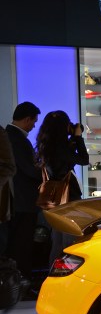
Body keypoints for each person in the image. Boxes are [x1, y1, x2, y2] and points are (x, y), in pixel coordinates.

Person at [35, 110, 89, 263]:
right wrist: (77, 137)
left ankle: (53, 271)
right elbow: (84, 159)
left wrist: (72, 139)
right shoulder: (62, 148)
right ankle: (67, 273)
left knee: (57, 240)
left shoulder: (45, 146)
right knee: (70, 241)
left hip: (53, 199)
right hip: (68, 197)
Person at [5, 101, 42, 279]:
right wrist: (43, 171)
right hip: (23, 201)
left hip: (14, 200)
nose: (34, 126)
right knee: (22, 244)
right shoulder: (18, 140)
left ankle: (14, 282)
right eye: (34, 121)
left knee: (14, 244)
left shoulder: (8, 136)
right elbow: (29, 170)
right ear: (27, 119)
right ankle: (21, 282)